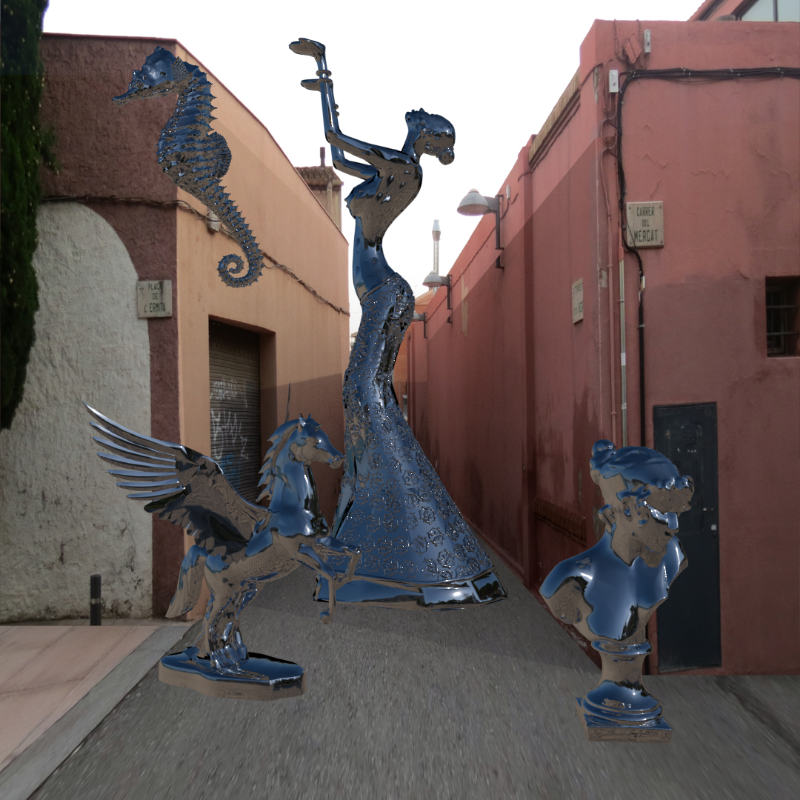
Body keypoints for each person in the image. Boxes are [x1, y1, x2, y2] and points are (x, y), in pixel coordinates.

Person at [291, 39, 505, 608]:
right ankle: (379, 512)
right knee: (371, 395)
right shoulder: (390, 170)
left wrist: (324, 74)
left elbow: (337, 138)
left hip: (386, 292)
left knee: (360, 390)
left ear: (426, 138)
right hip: (382, 295)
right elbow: (339, 155)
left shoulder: (403, 168)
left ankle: (399, 521)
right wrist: (324, 85)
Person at [540, 440, 694, 738]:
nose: (674, 525)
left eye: (677, 511)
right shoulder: (570, 579)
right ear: (626, 509)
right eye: (663, 511)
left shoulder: (672, 557)